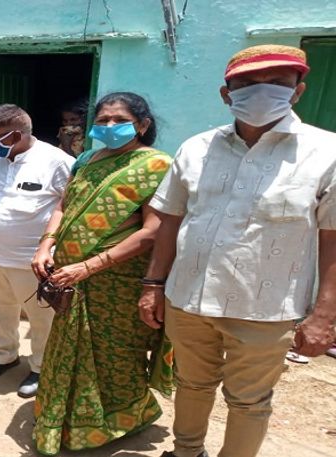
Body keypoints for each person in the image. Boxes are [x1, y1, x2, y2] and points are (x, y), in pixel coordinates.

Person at [138, 44, 336, 457]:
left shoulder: (326, 153)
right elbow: (171, 219)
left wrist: (324, 315)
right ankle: (187, 451)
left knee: (248, 401)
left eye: (277, 83)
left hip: (265, 310)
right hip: (188, 299)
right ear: (226, 94)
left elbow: (332, 236)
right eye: (246, 84)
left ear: (297, 90)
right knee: (191, 385)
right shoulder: (196, 148)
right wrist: (153, 284)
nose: (261, 92)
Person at [31, 93, 174, 454]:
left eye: (119, 119)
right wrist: (45, 245)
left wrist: (88, 266)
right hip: (69, 278)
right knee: (67, 349)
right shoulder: (86, 159)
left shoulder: (156, 165)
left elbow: (151, 231)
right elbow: (63, 205)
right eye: (103, 119)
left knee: (115, 354)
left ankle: (122, 419)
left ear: (142, 125)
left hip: (118, 281)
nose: (109, 126)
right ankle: (63, 421)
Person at [0, 104, 75, 398]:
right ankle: (3, 356)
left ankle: (41, 367)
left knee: (41, 319)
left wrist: (50, 249)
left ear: (15, 134)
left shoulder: (57, 161)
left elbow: (67, 207)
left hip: (31, 261)